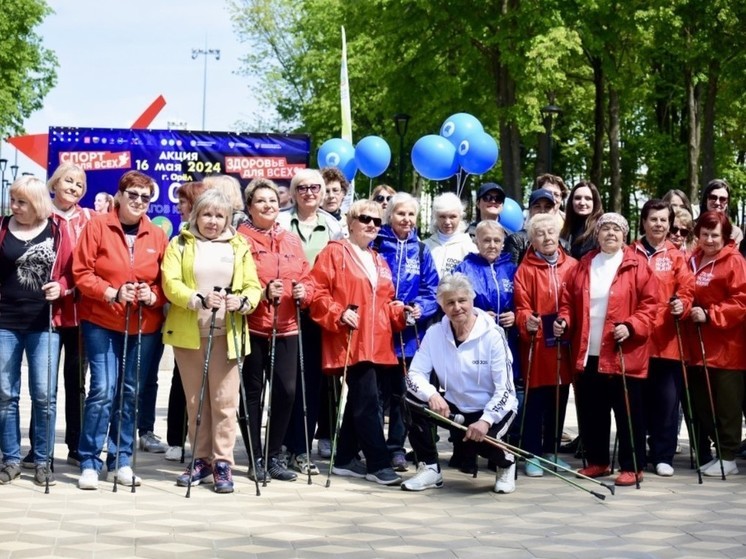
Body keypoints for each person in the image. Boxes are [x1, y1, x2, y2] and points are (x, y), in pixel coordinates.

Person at [72, 170, 168, 490]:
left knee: (130, 393)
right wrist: (110, 292)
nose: (139, 201)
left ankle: (121, 459)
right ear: (120, 195)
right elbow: (81, 273)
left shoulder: (156, 235)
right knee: (102, 389)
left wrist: (151, 295)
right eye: (133, 195)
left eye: (145, 196)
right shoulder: (98, 226)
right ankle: (89, 459)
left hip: (142, 324)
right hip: (102, 319)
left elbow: (164, 281)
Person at [162, 189, 261, 493]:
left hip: (227, 334)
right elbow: (170, 283)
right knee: (196, 402)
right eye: (207, 215)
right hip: (190, 334)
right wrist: (198, 299)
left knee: (225, 402)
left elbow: (252, 286)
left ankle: (222, 463)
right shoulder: (179, 244)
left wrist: (242, 301)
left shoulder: (239, 245)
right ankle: (201, 458)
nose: (213, 221)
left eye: (220, 216)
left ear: (228, 219)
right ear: (195, 215)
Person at [308, 199, 409, 486]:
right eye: (366, 218)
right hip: (349, 338)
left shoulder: (379, 259)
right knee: (367, 402)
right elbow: (316, 293)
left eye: (377, 221)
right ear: (350, 222)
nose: (372, 225)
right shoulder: (334, 253)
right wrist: (338, 313)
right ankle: (378, 462)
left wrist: (402, 312)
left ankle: (345, 457)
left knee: (363, 398)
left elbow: (386, 302)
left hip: (377, 342)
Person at [553, 213, 658, 487]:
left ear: (624, 235)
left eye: (616, 229)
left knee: (627, 413)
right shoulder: (584, 265)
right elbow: (568, 300)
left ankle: (632, 466)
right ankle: (597, 461)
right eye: (605, 229)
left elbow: (652, 306)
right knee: (591, 410)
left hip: (623, 352)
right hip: (588, 351)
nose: (610, 233)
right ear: (597, 235)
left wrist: (632, 326)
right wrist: (564, 319)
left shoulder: (638, 265)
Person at [401, 273, 518, 493]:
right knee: (411, 400)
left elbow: (506, 390)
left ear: (472, 300)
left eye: (462, 300)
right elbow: (414, 375)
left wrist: (485, 421)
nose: (457, 307)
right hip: (457, 405)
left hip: (492, 409)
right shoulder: (435, 333)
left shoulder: (493, 335)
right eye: (450, 302)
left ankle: (506, 463)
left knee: (479, 441)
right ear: (442, 306)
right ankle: (430, 469)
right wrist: (432, 394)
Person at [236, 178, 314, 481]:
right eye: (261, 201)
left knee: (287, 391)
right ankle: (256, 456)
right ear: (249, 207)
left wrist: (303, 292)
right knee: (252, 393)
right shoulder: (240, 239)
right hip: (254, 325)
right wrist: (263, 291)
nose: (268, 205)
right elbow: (238, 280)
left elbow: (307, 276)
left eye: (272, 200)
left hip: (287, 326)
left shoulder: (290, 239)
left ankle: (273, 454)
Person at [0, 176, 73, 486]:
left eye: (22, 202)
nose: (15, 206)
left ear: (38, 204)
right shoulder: (2, 227)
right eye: (13, 200)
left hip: (44, 323)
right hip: (5, 321)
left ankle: (43, 460)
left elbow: (73, 273)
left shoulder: (57, 230)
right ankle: (11, 459)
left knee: (44, 394)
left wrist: (62, 287)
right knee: (5, 394)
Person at [21, 164, 92, 470]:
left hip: (79, 313)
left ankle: (76, 446)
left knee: (76, 383)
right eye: (68, 181)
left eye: (79, 184)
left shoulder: (89, 219)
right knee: (43, 385)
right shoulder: (41, 215)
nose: (74, 187)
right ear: (55, 183)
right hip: (45, 313)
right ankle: (40, 449)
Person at [277, 168, 343, 470]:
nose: (309, 193)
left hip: (318, 312)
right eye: (302, 188)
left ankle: (301, 448)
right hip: (282, 311)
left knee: (312, 383)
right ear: (293, 193)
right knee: (284, 384)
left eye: (315, 187)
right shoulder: (279, 221)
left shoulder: (334, 226)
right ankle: (278, 446)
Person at [373, 192, 439, 471]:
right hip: (378, 331)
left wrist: (418, 308)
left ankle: (396, 447)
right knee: (375, 394)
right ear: (390, 215)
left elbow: (432, 289)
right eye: (401, 213)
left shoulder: (421, 250)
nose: (407, 220)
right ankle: (373, 446)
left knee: (402, 394)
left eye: (411, 214)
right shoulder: (376, 243)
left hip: (410, 337)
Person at [632, 200, 694, 477]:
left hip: (668, 340)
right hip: (637, 340)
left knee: (667, 403)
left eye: (663, 220)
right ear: (644, 221)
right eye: (653, 219)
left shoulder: (677, 255)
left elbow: (687, 288)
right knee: (638, 402)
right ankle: (637, 454)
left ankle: (663, 454)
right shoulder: (629, 252)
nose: (658, 225)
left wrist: (683, 303)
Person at [513, 213, 577, 476]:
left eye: (551, 231)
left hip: (562, 346)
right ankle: (532, 454)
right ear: (532, 240)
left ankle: (551, 452)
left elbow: (575, 303)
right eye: (540, 233)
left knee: (559, 399)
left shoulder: (572, 266)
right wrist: (527, 321)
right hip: (537, 346)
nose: (547, 237)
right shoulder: (524, 270)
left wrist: (567, 321)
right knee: (535, 402)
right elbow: (520, 307)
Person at [455, 220, 520, 471]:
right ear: (476, 241)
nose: (491, 245)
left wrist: (515, 315)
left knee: (504, 392)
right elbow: (455, 301)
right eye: (486, 240)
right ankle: (466, 453)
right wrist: (479, 315)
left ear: (503, 243)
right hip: (474, 342)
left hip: (508, 342)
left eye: (496, 240)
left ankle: (498, 450)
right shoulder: (465, 267)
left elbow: (524, 301)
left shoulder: (512, 269)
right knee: (474, 393)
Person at [686, 211, 746, 477]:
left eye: (715, 235)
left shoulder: (734, 261)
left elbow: (741, 301)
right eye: (705, 234)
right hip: (697, 346)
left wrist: (711, 314)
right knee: (703, 402)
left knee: (727, 403)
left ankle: (728, 455)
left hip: (726, 346)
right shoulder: (694, 259)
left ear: (725, 237)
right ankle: (720, 450)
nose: (709, 240)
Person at [163, 181, 208, 462]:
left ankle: (207, 444)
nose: (178, 206)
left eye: (183, 202)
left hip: (215, 324)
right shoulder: (178, 240)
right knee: (181, 383)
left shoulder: (227, 241)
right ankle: (175, 440)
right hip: (186, 321)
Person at [504, 188, 571, 265]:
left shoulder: (564, 245)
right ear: (530, 210)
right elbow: (509, 273)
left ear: (554, 210)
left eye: (547, 207)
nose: (542, 211)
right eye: (537, 206)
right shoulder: (516, 240)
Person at [423, 192, 476, 277]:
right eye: (442, 216)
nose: (447, 222)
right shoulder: (425, 246)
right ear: (435, 217)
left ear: (460, 217)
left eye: (452, 217)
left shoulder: (470, 248)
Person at [559, 180, 603, 259]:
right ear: (571, 202)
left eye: (588, 198)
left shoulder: (601, 230)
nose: (582, 203)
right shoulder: (565, 230)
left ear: (595, 202)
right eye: (577, 198)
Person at [698, 178, 743, 244]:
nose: (717, 202)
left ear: (727, 203)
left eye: (722, 199)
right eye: (713, 197)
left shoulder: (735, 233)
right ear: (706, 200)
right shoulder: (691, 228)